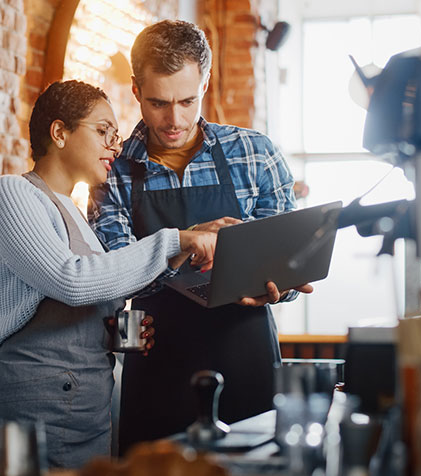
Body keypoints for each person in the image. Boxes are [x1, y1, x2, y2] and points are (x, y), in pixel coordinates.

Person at [0, 80, 217, 469]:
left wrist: (113, 332)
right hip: (29, 413)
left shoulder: (77, 216)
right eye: (103, 132)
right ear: (59, 132)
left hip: (87, 416)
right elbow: (72, 280)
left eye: (115, 135)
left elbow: (79, 300)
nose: (114, 145)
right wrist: (174, 241)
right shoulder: (11, 193)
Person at [89, 20, 313, 454]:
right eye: (158, 103)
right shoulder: (110, 170)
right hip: (159, 363)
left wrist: (280, 287)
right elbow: (113, 274)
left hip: (246, 354)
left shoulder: (255, 153)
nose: (174, 119)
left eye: (187, 100)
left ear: (205, 83)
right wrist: (185, 241)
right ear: (135, 90)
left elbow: (288, 260)